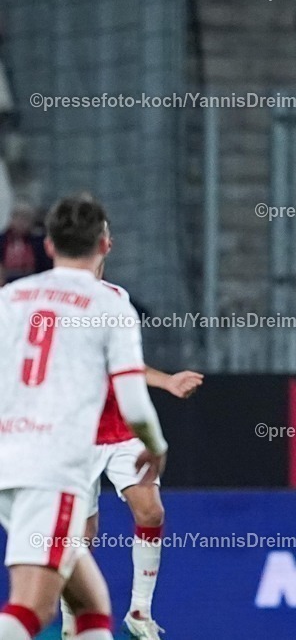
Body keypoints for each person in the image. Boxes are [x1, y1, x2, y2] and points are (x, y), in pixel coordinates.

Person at [0, 195, 168, 640]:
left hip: (8, 459)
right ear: (105, 245)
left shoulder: (10, 297)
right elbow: (132, 397)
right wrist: (155, 446)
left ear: (49, 246)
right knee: (32, 607)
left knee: (91, 604)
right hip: (50, 466)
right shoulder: (108, 304)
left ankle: (133, 615)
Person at [60, 262, 203, 640]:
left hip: (121, 427)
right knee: (81, 537)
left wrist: (168, 381)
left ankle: (139, 612)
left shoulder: (117, 298)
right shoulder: (46, 305)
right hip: (74, 434)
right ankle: (71, 619)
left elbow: (125, 366)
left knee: (151, 510)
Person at [0, 202, 51, 286]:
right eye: (18, 217)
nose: (21, 222)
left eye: (25, 218)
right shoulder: (2, 240)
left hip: (33, 283)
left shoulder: (39, 243)